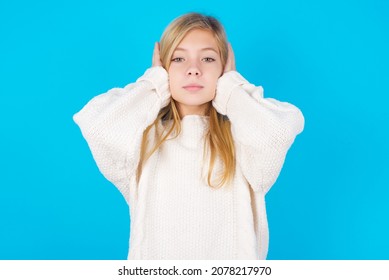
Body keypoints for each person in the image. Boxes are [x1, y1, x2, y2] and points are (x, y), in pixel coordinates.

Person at [73, 12, 304, 260]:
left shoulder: (244, 137)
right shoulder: (143, 140)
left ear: (225, 69)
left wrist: (232, 89)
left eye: (207, 58)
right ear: (162, 68)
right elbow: (96, 126)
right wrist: (153, 85)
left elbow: (279, 131)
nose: (193, 69)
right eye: (179, 58)